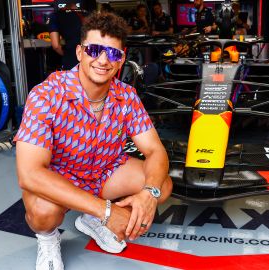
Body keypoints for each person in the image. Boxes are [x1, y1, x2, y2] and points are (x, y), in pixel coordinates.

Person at [15, 12, 172, 270]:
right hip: (60, 176)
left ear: (121, 59)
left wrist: (149, 194)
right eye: (94, 50)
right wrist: (108, 212)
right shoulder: (46, 95)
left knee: (161, 185)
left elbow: (155, 150)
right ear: (79, 52)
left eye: (112, 54)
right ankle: (49, 238)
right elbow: (29, 175)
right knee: (43, 214)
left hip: (104, 172)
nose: (102, 60)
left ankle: (91, 218)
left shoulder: (127, 96)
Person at [49, 0, 88, 70]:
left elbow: (56, 46)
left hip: (70, 59)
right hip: (88, 57)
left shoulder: (56, 16)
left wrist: (68, 54)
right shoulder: (85, 13)